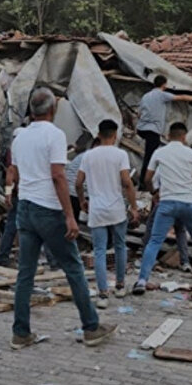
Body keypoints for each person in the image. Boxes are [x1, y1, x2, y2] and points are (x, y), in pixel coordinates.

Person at [8, 87, 116, 349]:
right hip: (48, 209)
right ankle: (91, 327)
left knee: (25, 273)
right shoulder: (55, 135)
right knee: (73, 267)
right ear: (52, 110)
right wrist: (70, 216)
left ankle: (20, 332)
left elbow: (15, 172)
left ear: (32, 111)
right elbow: (58, 176)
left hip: (25, 207)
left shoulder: (20, 137)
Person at [133, 122, 192, 293]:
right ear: (184, 136)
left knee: (154, 241)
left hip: (167, 203)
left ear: (168, 135)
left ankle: (142, 280)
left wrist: (154, 193)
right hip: (188, 203)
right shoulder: (191, 153)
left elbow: (147, 178)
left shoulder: (159, 152)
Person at [75, 120, 138, 308]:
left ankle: (102, 294)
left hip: (97, 209)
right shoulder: (120, 155)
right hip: (116, 208)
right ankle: (119, 285)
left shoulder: (88, 156)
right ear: (115, 134)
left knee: (99, 251)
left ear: (99, 134)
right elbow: (127, 182)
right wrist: (134, 206)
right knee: (120, 246)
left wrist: (81, 201)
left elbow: (78, 183)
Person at [0, 125, 58, 270]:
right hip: (32, 194)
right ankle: (53, 261)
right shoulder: (28, 150)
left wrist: (8, 193)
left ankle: (4, 257)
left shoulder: (15, 151)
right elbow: (12, 173)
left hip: (22, 194)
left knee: (13, 226)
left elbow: (10, 174)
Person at [135, 75, 192, 190]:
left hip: (142, 128)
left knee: (149, 155)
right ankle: (144, 184)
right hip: (152, 130)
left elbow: (139, 113)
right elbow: (181, 97)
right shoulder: (162, 95)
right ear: (164, 84)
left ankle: (147, 181)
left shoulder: (146, 96)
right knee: (149, 158)